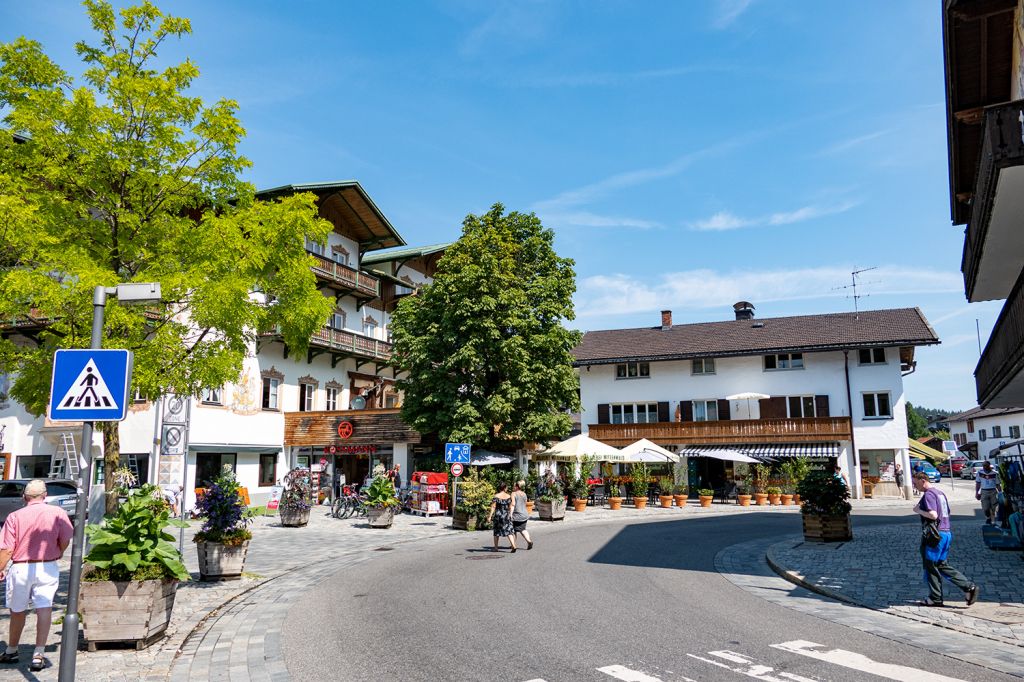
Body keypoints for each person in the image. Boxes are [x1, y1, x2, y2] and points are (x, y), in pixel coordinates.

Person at [0, 480, 74, 671]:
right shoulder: (58, 513)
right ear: (45, 495)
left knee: (17, 610)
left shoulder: (15, 516)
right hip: (47, 565)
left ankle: (12, 649)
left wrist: (0, 568)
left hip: (21, 567)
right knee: (45, 607)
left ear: (25, 497)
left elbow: (7, 549)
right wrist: (58, 551)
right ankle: (39, 653)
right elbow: (66, 538)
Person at [913, 471, 979, 607]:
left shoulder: (929, 495)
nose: (915, 486)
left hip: (934, 536)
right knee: (941, 564)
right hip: (946, 533)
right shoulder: (940, 493)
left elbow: (933, 515)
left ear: (922, 480)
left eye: (915, 483)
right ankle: (968, 587)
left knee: (931, 566)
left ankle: (935, 598)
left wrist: (919, 511)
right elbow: (946, 512)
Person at [486, 482, 517, 552]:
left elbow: (493, 506)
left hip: (498, 515)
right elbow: (510, 506)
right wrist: (510, 514)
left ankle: (496, 548)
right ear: (505, 488)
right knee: (509, 531)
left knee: (496, 532)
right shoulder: (508, 496)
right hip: (506, 515)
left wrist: (490, 516)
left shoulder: (496, 496)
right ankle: (513, 545)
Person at [975, 460, 1002, 525]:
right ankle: (988, 517)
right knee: (985, 508)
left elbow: (998, 484)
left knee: (994, 507)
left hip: (993, 491)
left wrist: (1000, 493)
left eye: (986, 465)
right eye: (983, 465)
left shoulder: (995, 473)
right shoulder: (979, 473)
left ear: (989, 466)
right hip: (984, 491)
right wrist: (977, 492)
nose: (984, 467)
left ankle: (993, 520)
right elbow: (978, 483)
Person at [511, 480, 533, 550]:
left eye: (514, 486)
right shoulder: (524, 494)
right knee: (523, 529)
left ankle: (513, 544)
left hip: (517, 515)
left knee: (513, 530)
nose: (513, 487)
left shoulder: (513, 494)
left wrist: (510, 514)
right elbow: (525, 503)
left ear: (517, 487)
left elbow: (513, 504)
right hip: (524, 514)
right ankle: (529, 541)